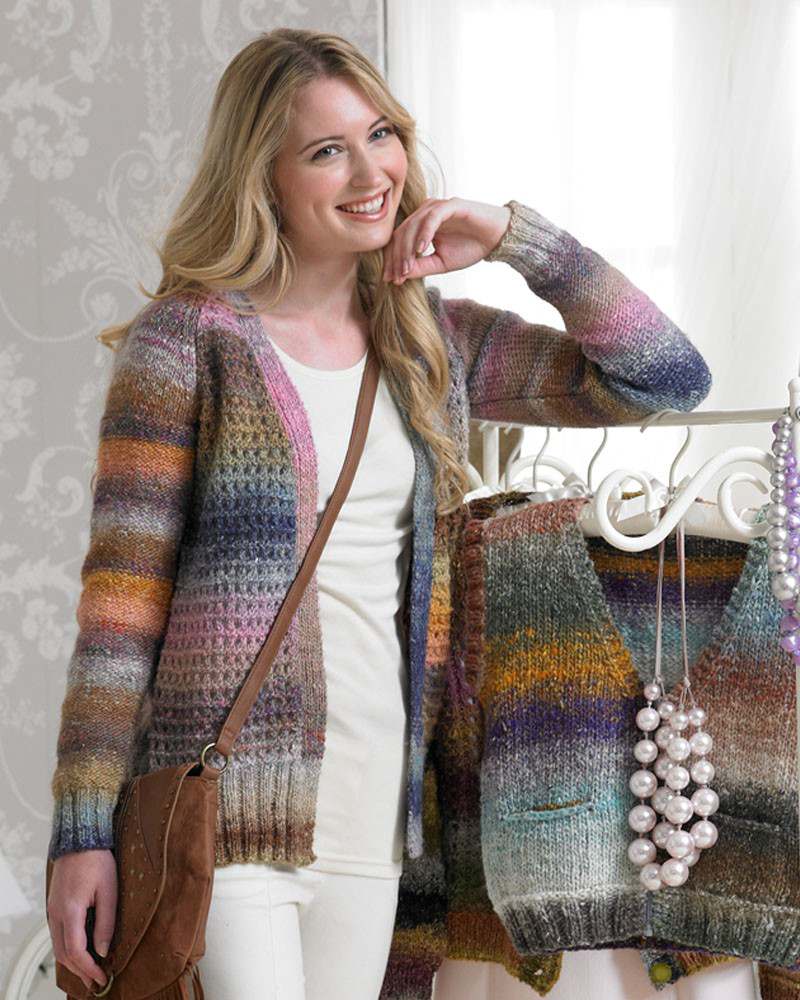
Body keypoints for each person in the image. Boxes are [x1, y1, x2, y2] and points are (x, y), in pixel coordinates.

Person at [43, 26, 714, 1000]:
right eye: (327, 150)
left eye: (382, 135)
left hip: (377, 817)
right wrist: (81, 832)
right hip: (225, 815)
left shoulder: (430, 343)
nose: (371, 174)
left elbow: (663, 379)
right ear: (264, 178)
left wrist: (514, 239)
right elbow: (119, 611)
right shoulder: (188, 341)